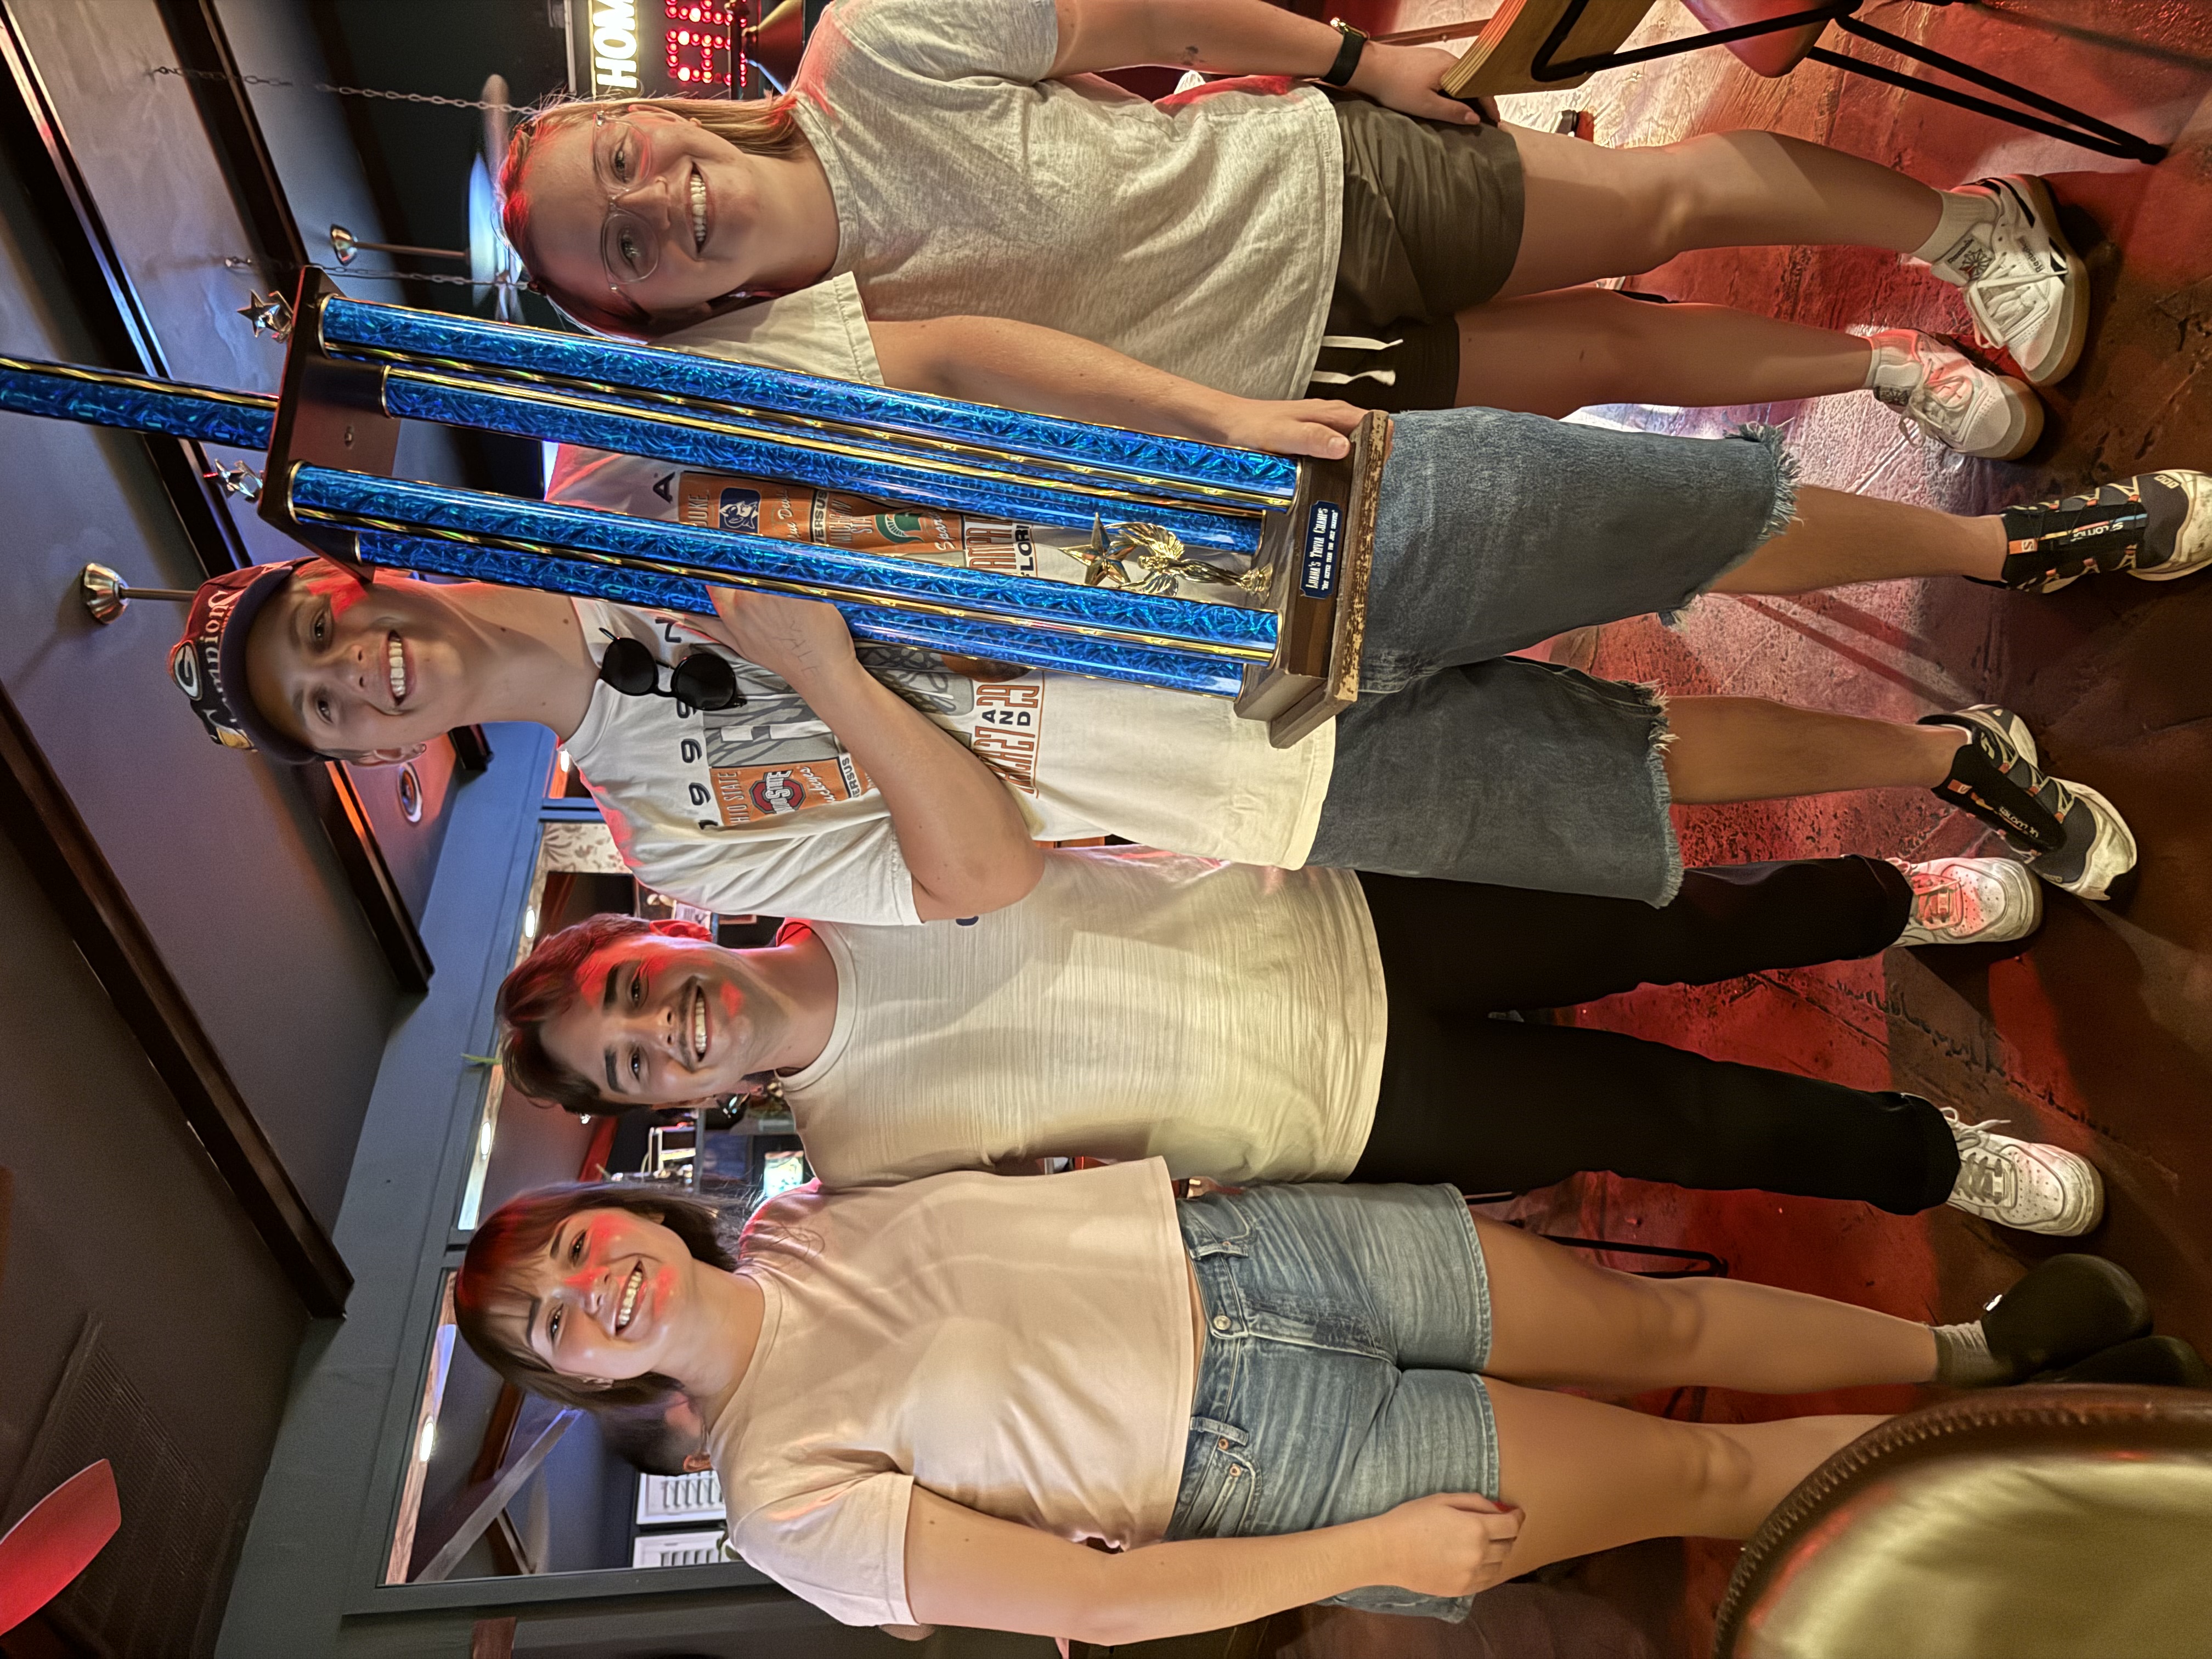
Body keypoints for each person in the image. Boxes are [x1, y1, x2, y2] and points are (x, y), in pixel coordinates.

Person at [170, 400, 2198, 924]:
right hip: (1249, 783)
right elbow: (981, 877)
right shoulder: (679, 844)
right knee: (1632, 778)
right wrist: (841, 683)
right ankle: (1954, 753)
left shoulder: (620, 472)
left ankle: (2017, 536)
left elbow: (938, 366)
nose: (365, 666)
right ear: (371, 759)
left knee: (1671, 518)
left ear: (356, 570)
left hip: (1241, 552)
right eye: (331, 706)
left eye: (328, 626)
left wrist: (1189, 418)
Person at [453, 1170, 2167, 1635]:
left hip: (1265, 1255)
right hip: (1277, 1472)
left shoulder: (803, 1218)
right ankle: (2058, 1468)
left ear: (623, 1216)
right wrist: (1377, 1548)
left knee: (1661, 1315)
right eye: (558, 1325)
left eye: (574, 1250)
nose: (592, 1290)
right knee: (1707, 1473)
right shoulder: (775, 1501)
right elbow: (1099, 1607)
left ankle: (1984, 1361)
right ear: (579, 1379)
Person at [499, 0, 2094, 459]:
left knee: (1667, 195)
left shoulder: (871, 51)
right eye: (618, 248)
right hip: (1294, 381)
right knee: (1617, 356)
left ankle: (1966, 233)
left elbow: (1135, 10)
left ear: (663, 120)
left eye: (623, 164)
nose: (653, 206)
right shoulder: (813, 347)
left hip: (1327, 187)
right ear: (645, 313)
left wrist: (1353, 60)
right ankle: (1882, 367)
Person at [491, 847, 2103, 1235]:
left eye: (631, 989)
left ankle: (1901, 898)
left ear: (664, 932)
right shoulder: (857, 1165)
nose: (661, 1029)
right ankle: (1937, 1158)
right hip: (1342, 1106)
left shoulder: (857, 866)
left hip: (1346, 917)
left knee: (1672, 916)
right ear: (676, 1104)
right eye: (638, 1061)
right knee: (1673, 1124)